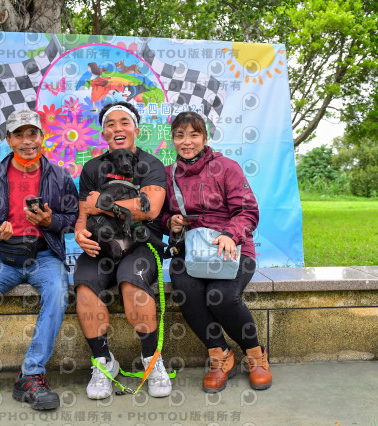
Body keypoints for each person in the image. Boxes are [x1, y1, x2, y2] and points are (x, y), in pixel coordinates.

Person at [0, 109, 79, 410]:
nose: (27, 141)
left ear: (42, 137)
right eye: (19, 135)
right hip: (4, 257)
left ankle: (31, 374)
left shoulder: (59, 175)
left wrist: (50, 221)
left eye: (32, 133)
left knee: (58, 293)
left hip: (45, 255)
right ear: (8, 140)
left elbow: (73, 217)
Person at [161, 111, 272, 393]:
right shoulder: (168, 175)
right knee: (187, 291)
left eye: (194, 134)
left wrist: (230, 235)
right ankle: (220, 356)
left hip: (233, 247)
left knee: (219, 296)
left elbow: (247, 211)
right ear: (173, 139)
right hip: (191, 252)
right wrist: (170, 222)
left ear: (205, 138)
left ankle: (255, 355)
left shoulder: (227, 168)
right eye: (180, 135)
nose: (187, 142)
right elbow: (159, 216)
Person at [73, 101, 172, 399]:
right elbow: (83, 212)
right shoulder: (92, 168)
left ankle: (151, 360)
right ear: (104, 133)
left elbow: (149, 208)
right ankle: (104, 362)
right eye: (111, 124)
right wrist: (80, 233)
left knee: (131, 285)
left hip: (140, 244)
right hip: (101, 246)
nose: (118, 128)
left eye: (124, 123)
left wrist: (102, 204)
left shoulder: (150, 165)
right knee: (85, 289)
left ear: (136, 130)